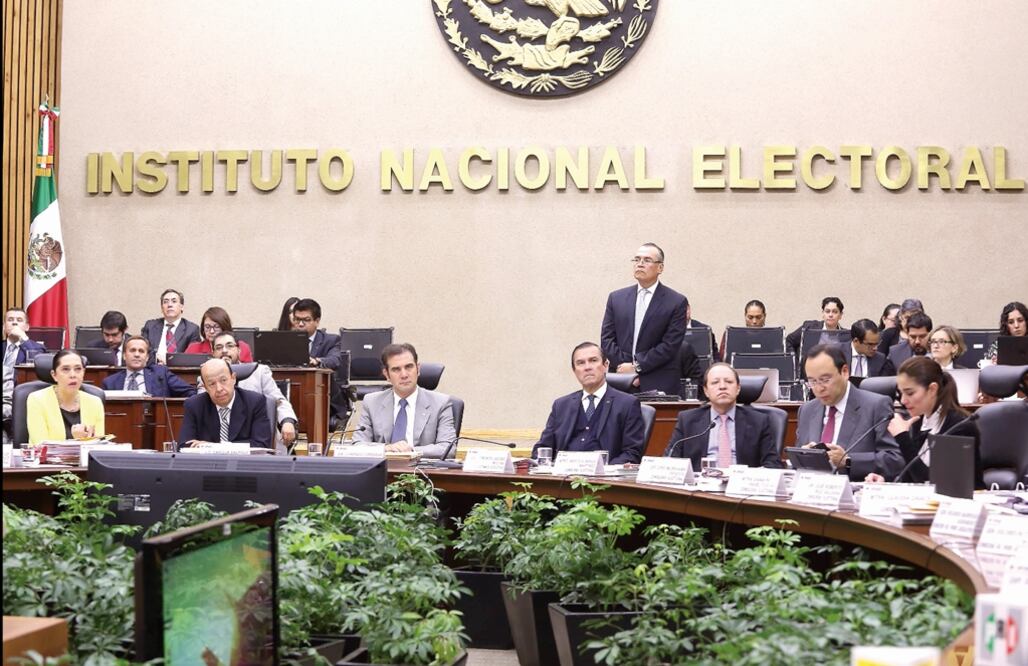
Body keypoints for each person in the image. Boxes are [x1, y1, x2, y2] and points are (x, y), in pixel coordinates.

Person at [866, 357, 983, 487]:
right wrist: (886, 482)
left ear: (932, 389)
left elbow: (934, 484)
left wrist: (902, 438)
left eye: (910, 393)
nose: (903, 401)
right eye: (901, 394)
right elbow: (912, 476)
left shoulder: (960, 425)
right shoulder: (919, 421)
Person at [797, 344, 903, 480]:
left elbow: (895, 460)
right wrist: (803, 457)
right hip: (814, 492)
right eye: (812, 381)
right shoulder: (807, 410)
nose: (818, 388)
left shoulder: (876, 406)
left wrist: (848, 460)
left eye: (825, 380)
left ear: (845, 372)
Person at [532, 342, 645, 464]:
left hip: (603, 479)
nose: (587, 367)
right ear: (574, 371)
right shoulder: (561, 405)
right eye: (580, 363)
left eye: (593, 360)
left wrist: (602, 471)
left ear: (605, 365)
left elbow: (632, 454)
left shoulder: (627, 404)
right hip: (563, 477)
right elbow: (542, 448)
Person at [601, 243, 688, 395]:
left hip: (658, 381)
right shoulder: (616, 298)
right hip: (620, 379)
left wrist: (637, 367)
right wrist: (625, 368)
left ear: (660, 268)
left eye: (647, 260)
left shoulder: (676, 301)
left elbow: (670, 345)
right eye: (636, 259)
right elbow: (607, 339)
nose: (640, 264)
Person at [665, 363, 780, 469]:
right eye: (715, 382)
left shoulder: (759, 421)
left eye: (729, 382)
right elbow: (670, 460)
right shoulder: (687, 420)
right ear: (706, 391)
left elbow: (773, 464)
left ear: (738, 388)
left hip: (740, 485)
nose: (722, 387)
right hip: (700, 486)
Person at [354, 343, 455, 458]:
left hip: (421, 472)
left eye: (409, 367)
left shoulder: (441, 403)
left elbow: (448, 448)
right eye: (396, 369)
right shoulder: (372, 402)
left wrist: (410, 450)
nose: (404, 375)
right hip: (382, 472)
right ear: (387, 375)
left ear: (418, 369)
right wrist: (386, 448)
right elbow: (358, 445)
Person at [204, 332, 297, 448]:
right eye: (219, 347)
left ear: (239, 350)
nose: (224, 350)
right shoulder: (205, 377)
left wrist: (287, 421)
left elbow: (278, 400)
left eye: (230, 346)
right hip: (219, 440)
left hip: (257, 438)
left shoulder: (259, 372)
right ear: (213, 354)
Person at [179, 358, 271, 448]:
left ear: (233, 378)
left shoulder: (255, 402)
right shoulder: (194, 405)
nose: (219, 389)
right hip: (209, 463)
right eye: (212, 384)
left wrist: (214, 447)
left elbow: (261, 444)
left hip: (244, 462)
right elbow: (185, 445)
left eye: (223, 380)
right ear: (205, 387)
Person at [26, 350, 105, 444]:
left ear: (83, 372)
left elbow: (98, 446)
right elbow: (40, 446)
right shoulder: (37, 399)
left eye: (78, 369)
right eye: (65, 369)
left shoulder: (95, 402)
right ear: (54, 375)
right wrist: (77, 441)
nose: (73, 375)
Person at [101, 336, 196, 397]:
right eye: (132, 350)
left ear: (147, 357)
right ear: (124, 355)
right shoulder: (110, 382)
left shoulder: (161, 374)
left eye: (141, 351)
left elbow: (190, 392)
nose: (137, 355)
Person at [141, 289, 202, 364]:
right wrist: (157, 359)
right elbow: (142, 351)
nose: (169, 305)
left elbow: (192, 358)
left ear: (181, 307)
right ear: (162, 308)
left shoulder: (191, 329)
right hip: (153, 370)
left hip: (179, 373)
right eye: (165, 302)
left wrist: (167, 360)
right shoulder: (150, 326)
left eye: (174, 301)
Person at [183, 306, 254, 361]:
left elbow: (249, 375)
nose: (211, 331)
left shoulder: (242, 347)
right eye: (207, 327)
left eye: (216, 327)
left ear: (225, 327)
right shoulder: (193, 349)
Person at [290, 298, 343, 369]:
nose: (301, 324)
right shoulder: (286, 340)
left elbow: (334, 360)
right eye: (297, 319)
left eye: (306, 320)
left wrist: (317, 362)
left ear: (317, 321)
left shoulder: (331, 341)